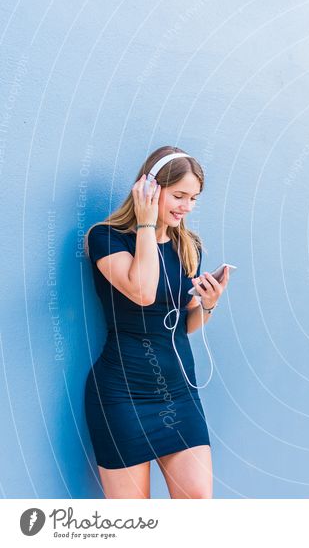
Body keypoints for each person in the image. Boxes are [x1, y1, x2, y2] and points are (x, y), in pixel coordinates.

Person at [83, 146, 230, 499]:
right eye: (179, 195)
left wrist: (208, 306)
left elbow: (182, 325)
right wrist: (147, 224)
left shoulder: (187, 245)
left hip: (179, 392)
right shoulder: (106, 238)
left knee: (197, 500)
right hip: (123, 394)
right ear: (149, 188)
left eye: (194, 198)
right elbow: (143, 292)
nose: (187, 206)